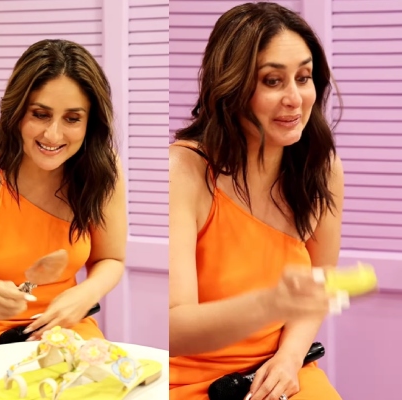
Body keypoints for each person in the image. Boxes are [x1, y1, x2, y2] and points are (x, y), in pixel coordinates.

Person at [169, 3, 344, 400]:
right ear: (231, 87)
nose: (295, 98)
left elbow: (319, 285)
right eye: (272, 81)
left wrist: (289, 359)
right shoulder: (183, 172)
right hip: (188, 381)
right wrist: (272, 303)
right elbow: (174, 329)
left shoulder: (323, 169)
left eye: (303, 77)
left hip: (279, 369)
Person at [0, 39, 127, 361]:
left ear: (90, 122)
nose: (53, 135)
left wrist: (85, 293)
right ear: (17, 111)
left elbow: (110, 259)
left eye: (72, 119)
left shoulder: (102, 168)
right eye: (40, 115)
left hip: (62, 332)